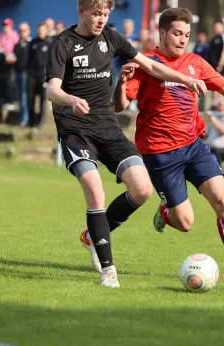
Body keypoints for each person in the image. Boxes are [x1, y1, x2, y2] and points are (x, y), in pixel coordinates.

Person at [113, 7, 224, 287]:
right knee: (186, 223)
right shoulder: (146, 64)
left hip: (194, 145)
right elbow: (119, 106)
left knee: (221, 200)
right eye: (177, 33)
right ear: (162, 33)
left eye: (187, 35)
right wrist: (120, 84)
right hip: (160, 153)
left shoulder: (196, 63)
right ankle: (167, 213)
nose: (182, 40)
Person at [46, 0, 207, 288]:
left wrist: (185, 80)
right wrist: (70, 100)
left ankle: (93, 238)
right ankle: (109, 272)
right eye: (96, 14)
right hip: (75, 130)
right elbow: (52, 89)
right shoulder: (63, 43)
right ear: (81, 12)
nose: (101, 20)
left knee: (143, 189)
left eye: (106, 14)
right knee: (95, 191)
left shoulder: (111, 38)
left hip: (108, 128)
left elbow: (152, 67)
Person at [26, 22, 52, 130]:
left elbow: (53, 61)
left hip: (43, 75)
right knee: (30, 99)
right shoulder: (32, 43)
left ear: (46, 31)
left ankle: (40, 122)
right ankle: (31, 121)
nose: (40, 31)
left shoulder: (50, 43)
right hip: (32, 75)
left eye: (43, 29)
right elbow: (28, 59)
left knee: (42, 100)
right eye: (39, 29)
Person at [13, 23, 31, 126]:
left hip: (26, 74)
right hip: (17, 73)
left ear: (28, 31)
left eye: (24, 30)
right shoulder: (17, 45)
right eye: (20, 30)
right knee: (19, 98)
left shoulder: (31, 44)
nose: (22, 33)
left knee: (24, 97)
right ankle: (22, 118)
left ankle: (26, 119)